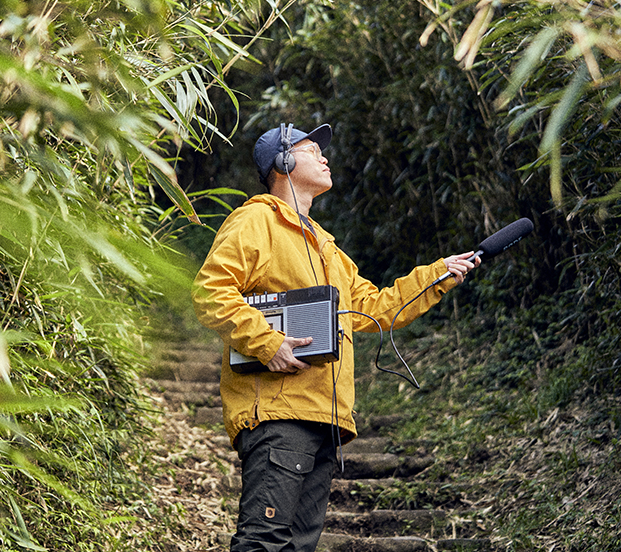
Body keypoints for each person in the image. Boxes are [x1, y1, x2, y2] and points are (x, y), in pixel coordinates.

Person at [191, 123, 480, 552]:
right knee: (263, 541)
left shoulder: (327, 248)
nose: (325, 158)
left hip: (323, 420)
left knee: (296, 547)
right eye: (311, 150)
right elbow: (210, 292)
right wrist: (268, 343)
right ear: (283, 162)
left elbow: (377, 308)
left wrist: (439, 275)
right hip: (278, 416)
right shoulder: (256, 222)